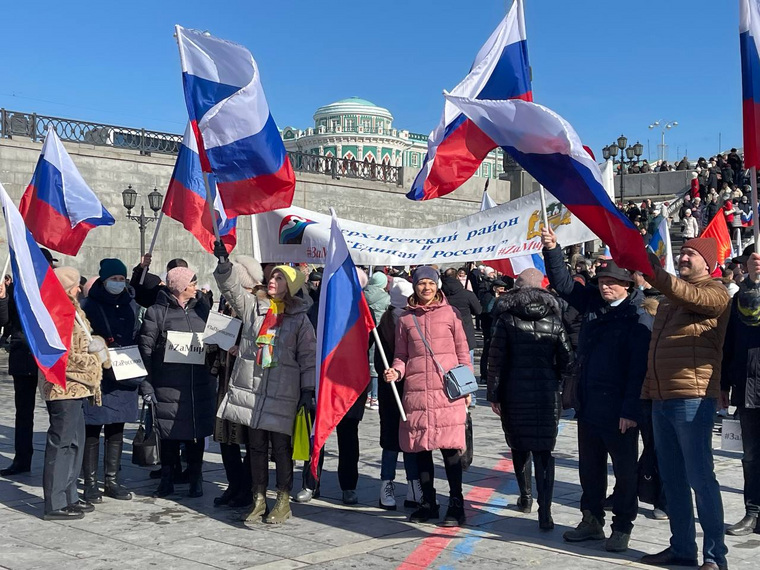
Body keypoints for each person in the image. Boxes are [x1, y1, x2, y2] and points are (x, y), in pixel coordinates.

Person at [542, 227, 652, 553]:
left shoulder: (637, 318)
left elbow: (638, 372)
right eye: (602, 282)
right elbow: (562, 285)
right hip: (589, 404)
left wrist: (630, 411)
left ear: (627, 285)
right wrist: (553, 249)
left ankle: (622, 526)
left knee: (624, 472)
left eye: (612, 283)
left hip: (619, 410)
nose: (605, 287)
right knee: (589, 468)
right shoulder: (592, 303)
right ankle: (591, 520)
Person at [639, 237, 731, 570]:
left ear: (708, 263)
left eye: (691, 253)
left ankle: (714, 556)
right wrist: (650, 390)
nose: (683, 256)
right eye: (682, 252)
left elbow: (687, 294)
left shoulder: (715, 293)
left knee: (700, 478)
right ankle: (681, 548)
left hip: (693, 398)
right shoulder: (667, 301)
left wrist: (648, 264)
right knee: (672, 479)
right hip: (662, 399)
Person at [213, 246, 316, 525]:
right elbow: (232, 289)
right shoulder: (253, 309)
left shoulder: (300, 320)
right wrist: (224, 265)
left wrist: (308, 390)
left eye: (280, 279)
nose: (272, 281)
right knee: (256, 448)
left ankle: (283, 499)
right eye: (272, 277)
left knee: (281, 450)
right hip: (253, 392)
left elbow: (308, 358)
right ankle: (259, 499)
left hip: (284, 393)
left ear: (291, 286)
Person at [385, 266, 471, 527]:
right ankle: (428, 501)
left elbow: (463, 352)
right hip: (418, 394)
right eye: (421, 283)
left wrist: (467, 389)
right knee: (421, 448)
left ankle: (456, 503)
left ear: (437, 286)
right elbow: (402, 355)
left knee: (450, 450)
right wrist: (396, 371)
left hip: (447, 393)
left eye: (430, 284)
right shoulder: (405, 320)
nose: (426, 288)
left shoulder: (450, 314)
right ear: (414, 286)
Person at [487, 268, 573, 530]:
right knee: (544, 450)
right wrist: (554, 378)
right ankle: (545, 511)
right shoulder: (555, 320)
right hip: (547, 394)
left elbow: (495, 361)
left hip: (514, 392)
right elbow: (568, 360)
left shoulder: (506, 319)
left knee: (519, 445)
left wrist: (494, 394)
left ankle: (526, 497)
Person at [138, 265, 217, 500]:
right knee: (168, 434)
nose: (195, 287)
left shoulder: (202, 309)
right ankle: (167, 479)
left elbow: (215, 337)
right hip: (168, 384)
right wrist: (146, 384)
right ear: (180, 287)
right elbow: (145, 350)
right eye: (192, 283)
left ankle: (196, 479)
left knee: (196, 435)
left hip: (199, 385)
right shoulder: (157, 312)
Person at [42, 267, 109, 520]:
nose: (80, 288)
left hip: (78, 388)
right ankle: (55, 503)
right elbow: (62, 355)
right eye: (76, 284)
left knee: (75, 442)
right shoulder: (58, 311)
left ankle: (70, 495)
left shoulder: (74, 310)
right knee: (61, 444)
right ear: (67, 287)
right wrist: (93, 363)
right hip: (62, 387)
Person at [80, 259, 141, 503]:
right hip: (100, 373)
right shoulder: (89, 305)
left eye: (121, 279)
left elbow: (136, 331)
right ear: (103, 280)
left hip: (125, 371)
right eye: (114, 279)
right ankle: (91, 482)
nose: (118, 283)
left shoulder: (131, 304)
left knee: (117, 426)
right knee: (93, 426)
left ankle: (112, 480)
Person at [212, 256, 263, 509]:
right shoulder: (226, 305)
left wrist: (241, 348)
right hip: (225, 377)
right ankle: (234, 485)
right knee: (225, 438)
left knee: (250, 439)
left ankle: (247, 486)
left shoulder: (257, 306)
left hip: (248, 380)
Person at [1, 247, 57, 477]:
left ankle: (57, 460)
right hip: (23, 355)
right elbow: (4, 320)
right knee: (24, 412)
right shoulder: (16, 288)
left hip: (50, 357)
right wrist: (3, 298)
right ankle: (22, 459)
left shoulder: (55, 289)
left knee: (56, 410)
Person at [722, 248, 760, 536]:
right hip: (747, 387)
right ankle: (752, 511)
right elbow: (729, 343)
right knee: (750, 456)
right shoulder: (739, 300)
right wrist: (723, 383)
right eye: (749, 262)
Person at [374, 278, 421, 510]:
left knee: (397, 439)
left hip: (402, 389)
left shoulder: (408, 320)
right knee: (403, 439)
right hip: (396, 389)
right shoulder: (385, 326)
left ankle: (400, 485)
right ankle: (398, 484)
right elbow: (378, 362)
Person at [364, 271, 390, 410]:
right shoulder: (386, 298)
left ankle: (366, 396)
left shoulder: (362, 294)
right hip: (380, 331)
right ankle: (374, 397)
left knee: (366, 361)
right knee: (375, 363)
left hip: (364, 331)